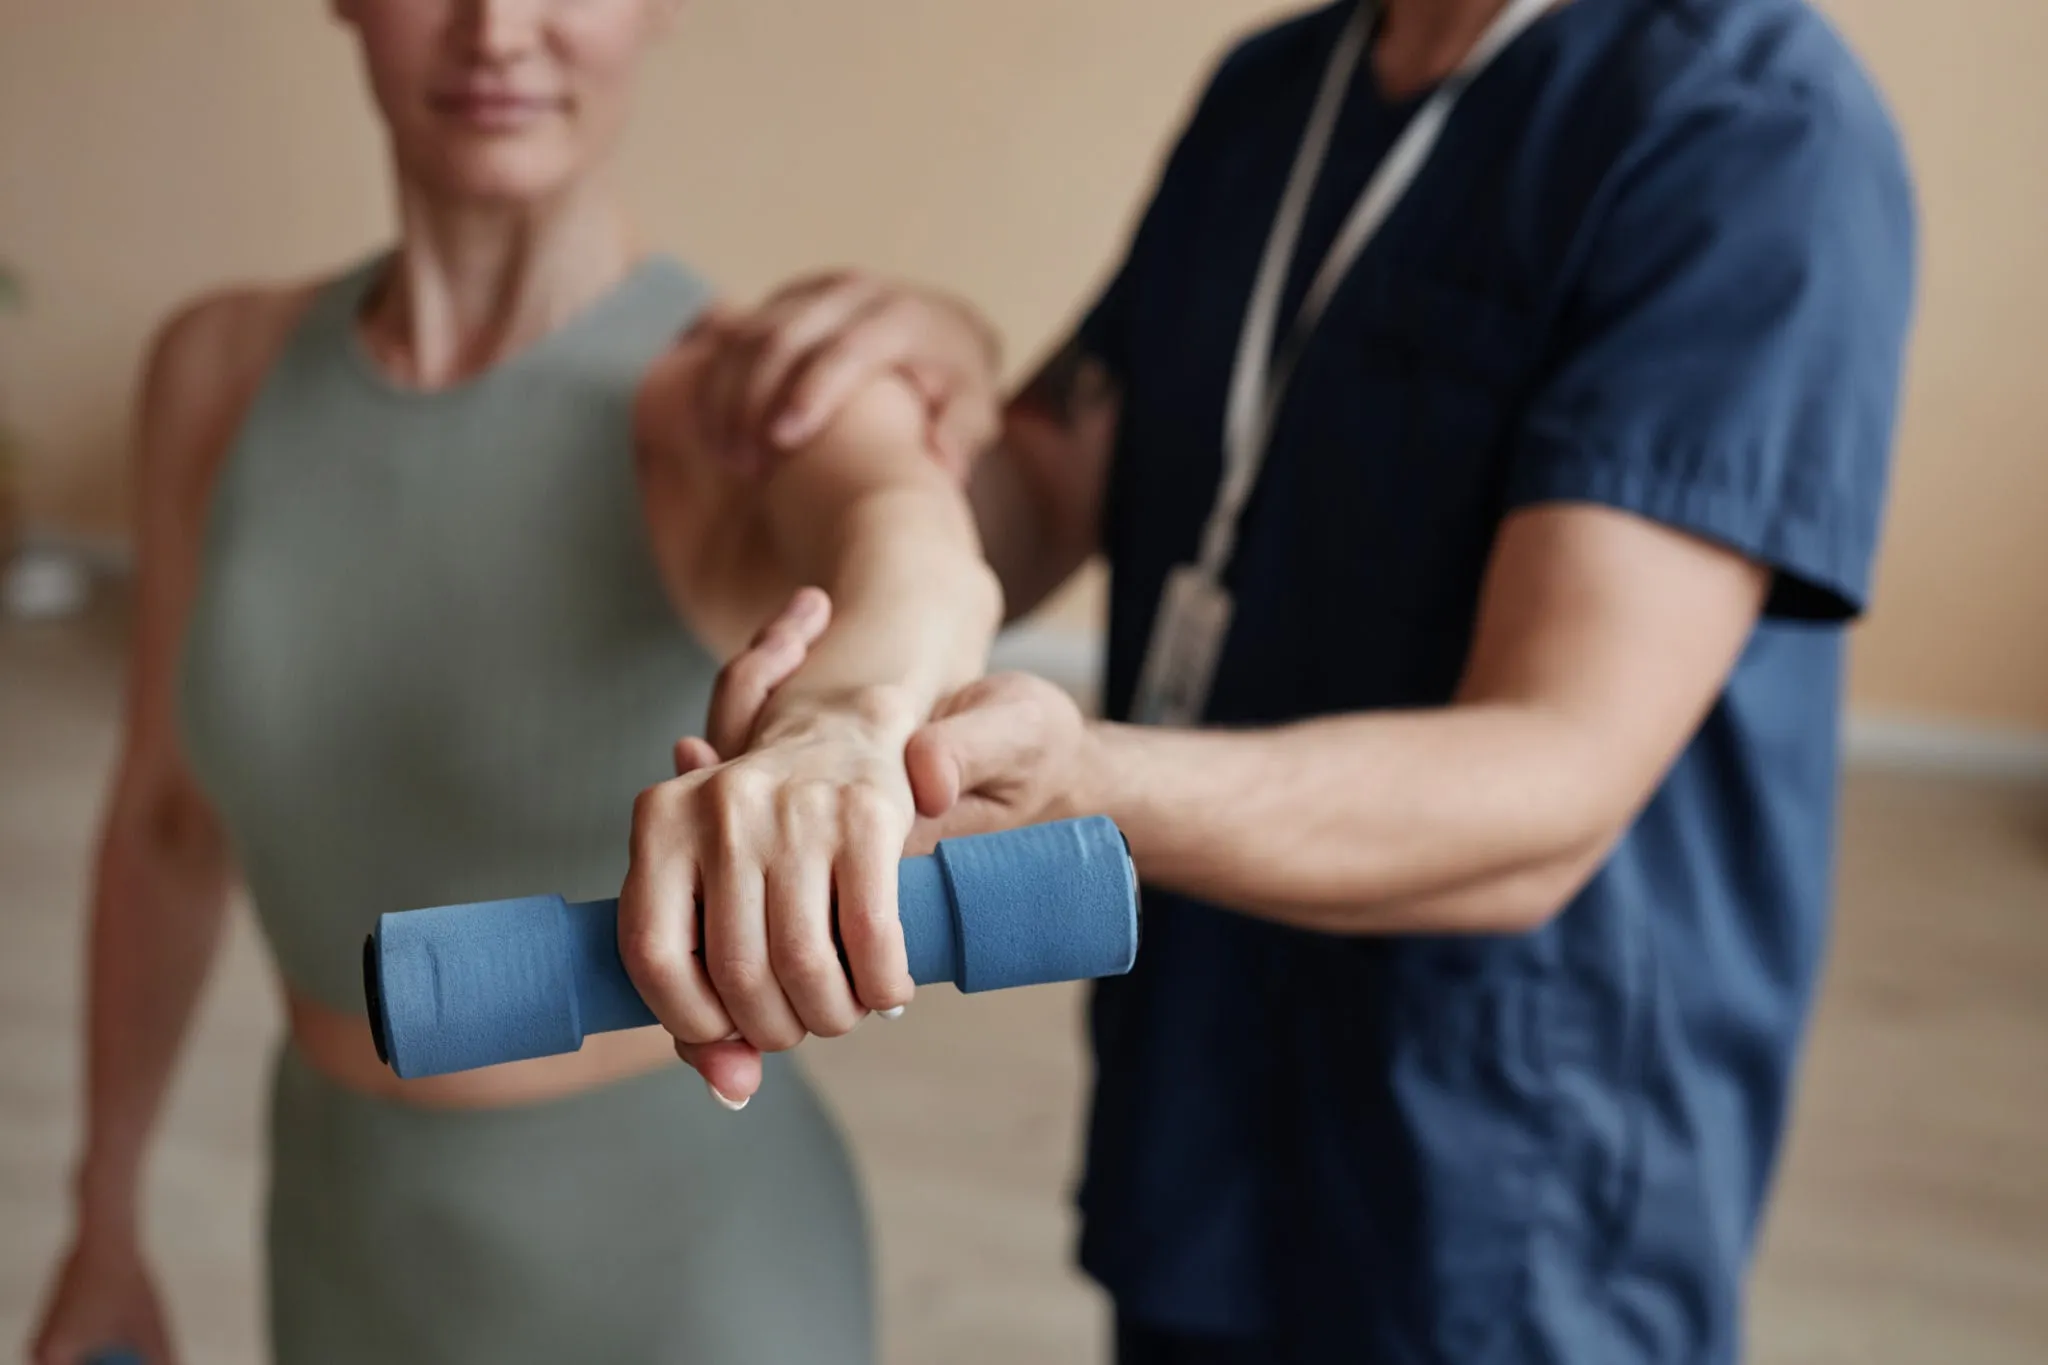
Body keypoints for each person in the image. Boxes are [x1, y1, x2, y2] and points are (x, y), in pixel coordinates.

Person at [678, 0, 1918, 1360]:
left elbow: (1554, 779)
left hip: (1507, 1172)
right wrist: (909, 391)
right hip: (1206, 1096)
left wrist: (1083, 780)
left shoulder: (1745, 132)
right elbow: (1038, 489)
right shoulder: (1275, 92)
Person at [29, 2, 1001, 1363]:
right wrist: (103, 1215)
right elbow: (167, 824)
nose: (496, 31)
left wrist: (849, 721)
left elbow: (921, 553)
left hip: (689, 1281)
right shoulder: (217, 372)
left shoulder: (744, 395)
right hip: (337, 1239)